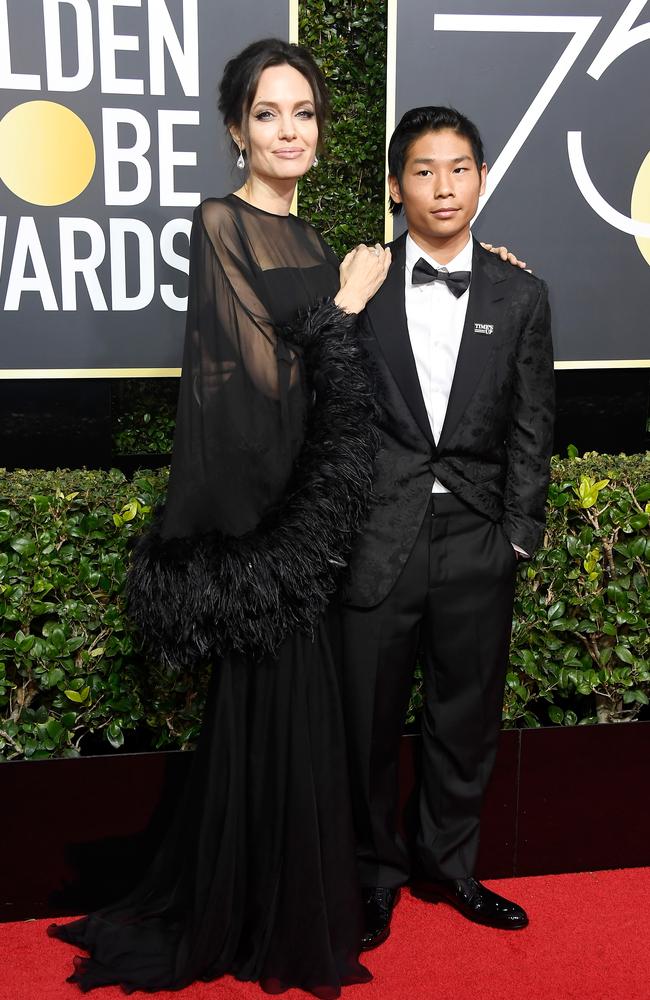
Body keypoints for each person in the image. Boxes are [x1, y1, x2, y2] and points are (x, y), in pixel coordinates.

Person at [48, 38, 391, 998]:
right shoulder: (221, 222)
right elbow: (256, 377)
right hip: (264, 517)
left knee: (309, 711)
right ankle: (252, 914)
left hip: (316, 509)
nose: (291, 130)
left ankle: (293, 901)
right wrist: (344, 310)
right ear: (237, 128)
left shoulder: (317, 242)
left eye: (305, 113)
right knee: (269, 709)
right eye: (270, 113)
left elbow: (335, 380)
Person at [338, 106, 555, 948]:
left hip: (476, 535)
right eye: (424, 171)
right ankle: (374, 873)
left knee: (466, 715)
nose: (443, 186)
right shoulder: (357, 279)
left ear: (483, 178)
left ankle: (451, 866)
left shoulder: (521, 291)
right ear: (396, 187)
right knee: (367, 720)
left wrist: (520, 533)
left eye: (459, 168)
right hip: (375, 537)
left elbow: (535, 422)